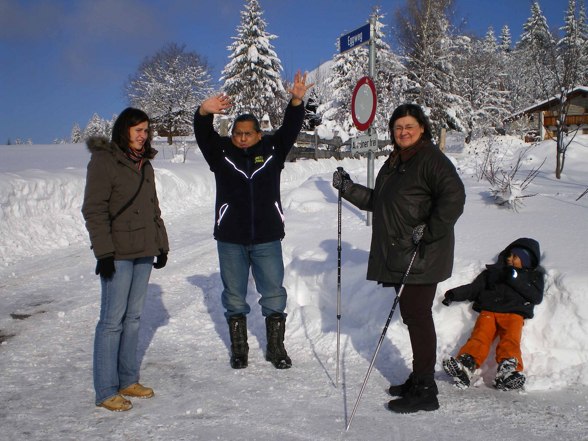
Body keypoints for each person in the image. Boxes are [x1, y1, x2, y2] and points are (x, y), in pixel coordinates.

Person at [332, 103, 466, 413]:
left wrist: (429, 231)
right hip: (401, 253)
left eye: (409, 126)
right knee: (413, 317)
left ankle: (426, 391)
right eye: (398, 127)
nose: (403, 132)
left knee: (418, 319)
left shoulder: (431, 159)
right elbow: (380, 202)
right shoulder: (395, 162)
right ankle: (419, 379)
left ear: (422, 128)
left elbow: (454, 197)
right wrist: (349, 189)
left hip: (421, 255)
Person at [193, 71, 313, 370]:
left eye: (248, 133)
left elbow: (290, 128)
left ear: (259, 134)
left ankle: (276, 348)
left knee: (273, 293)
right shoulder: (221, 154)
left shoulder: (273, 151)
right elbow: (203, 134)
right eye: (237, 133)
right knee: (234, 296)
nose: (242, 138)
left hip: (267, 237)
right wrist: (203, 112)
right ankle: (239, 349)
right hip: (230, 239)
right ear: (231, 134)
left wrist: (296, 100)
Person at [82, 107, 169, 412]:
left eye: (146, 130)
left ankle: (127, 379)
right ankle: (106, 390)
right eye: (138, 130)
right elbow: (94, 210)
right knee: (111, 322)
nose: (143, 136)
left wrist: (161, 244)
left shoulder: (146, 165)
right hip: (117, 253)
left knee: (132, 319)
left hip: (144, 249)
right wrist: (103, 253)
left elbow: (152, 207)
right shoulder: (105, 161)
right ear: (124, 130)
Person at [441, 238, 544, 391]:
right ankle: (466, 364)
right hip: (489, 311)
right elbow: (474, 288)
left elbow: (535, 296)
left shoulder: (533, 277)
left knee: (510, 340)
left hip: (514, 314)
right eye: (509, 255)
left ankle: (508, 370)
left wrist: (515, 278)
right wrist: (454, 294)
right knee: (480, 337)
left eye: (515, 257)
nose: (509, 258)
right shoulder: (494, 272)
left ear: (526, 260)